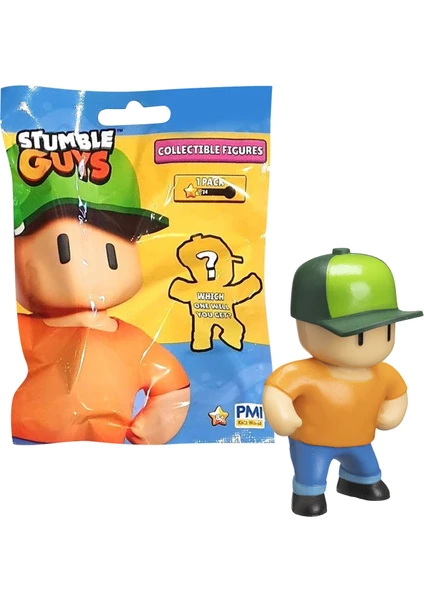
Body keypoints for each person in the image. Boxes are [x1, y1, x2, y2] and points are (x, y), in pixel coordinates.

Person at [8, 144, 190, 444]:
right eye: (63, 250)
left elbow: (172, 388)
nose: (83, 267)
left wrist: (153, 424)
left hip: (103, 454)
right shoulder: (22, 330)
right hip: (17, 445)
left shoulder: (132, 342)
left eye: (111, 253)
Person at [263, 248, 422, 516]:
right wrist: (283, 416)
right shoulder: (301, 372)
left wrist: (392, 412)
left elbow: (397, 394)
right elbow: (277, 391)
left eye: (386, 330)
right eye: (359, 335)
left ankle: (357, 482)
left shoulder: (384, 372)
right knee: (311, 474)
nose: (372, 344)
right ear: (306, 326)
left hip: (360, 440)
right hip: (312, 443)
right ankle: (309, 494)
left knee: (367, 469)